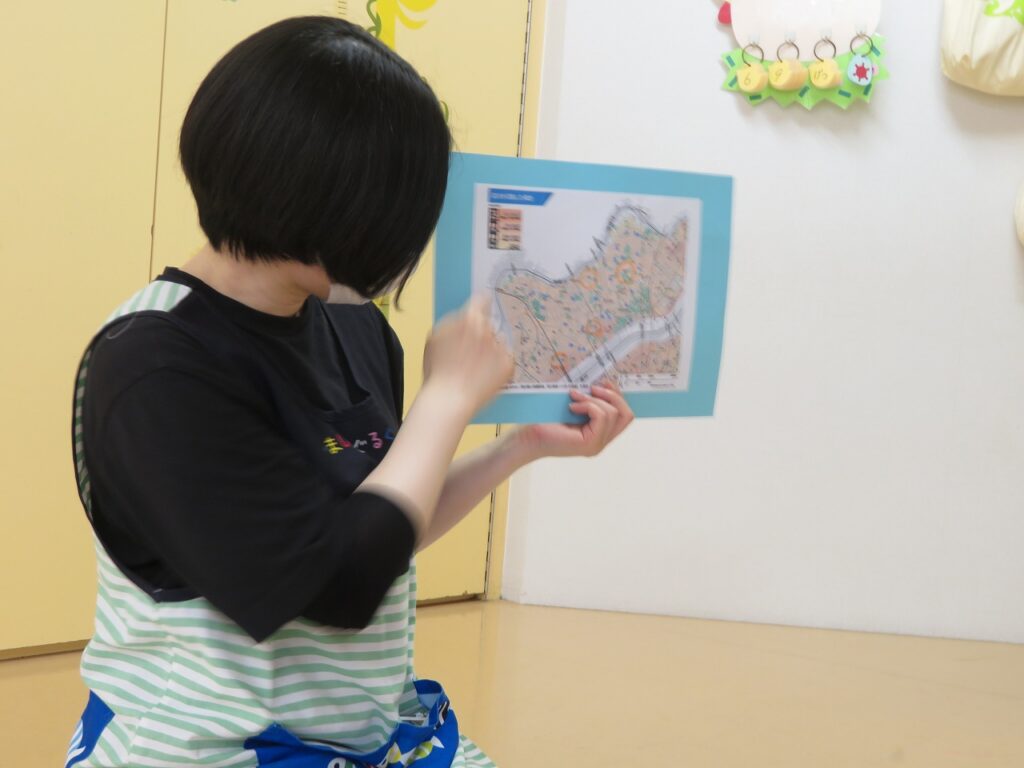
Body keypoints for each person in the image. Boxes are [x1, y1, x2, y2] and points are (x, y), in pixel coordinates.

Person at [65, 16, 633, 768]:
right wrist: (446, 398)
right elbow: (337, 583)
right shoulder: (153, 365)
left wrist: (520, 447)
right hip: (212, 745)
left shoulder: (352, 323)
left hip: (364, 734)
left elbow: (377, 529)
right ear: (319, 199)